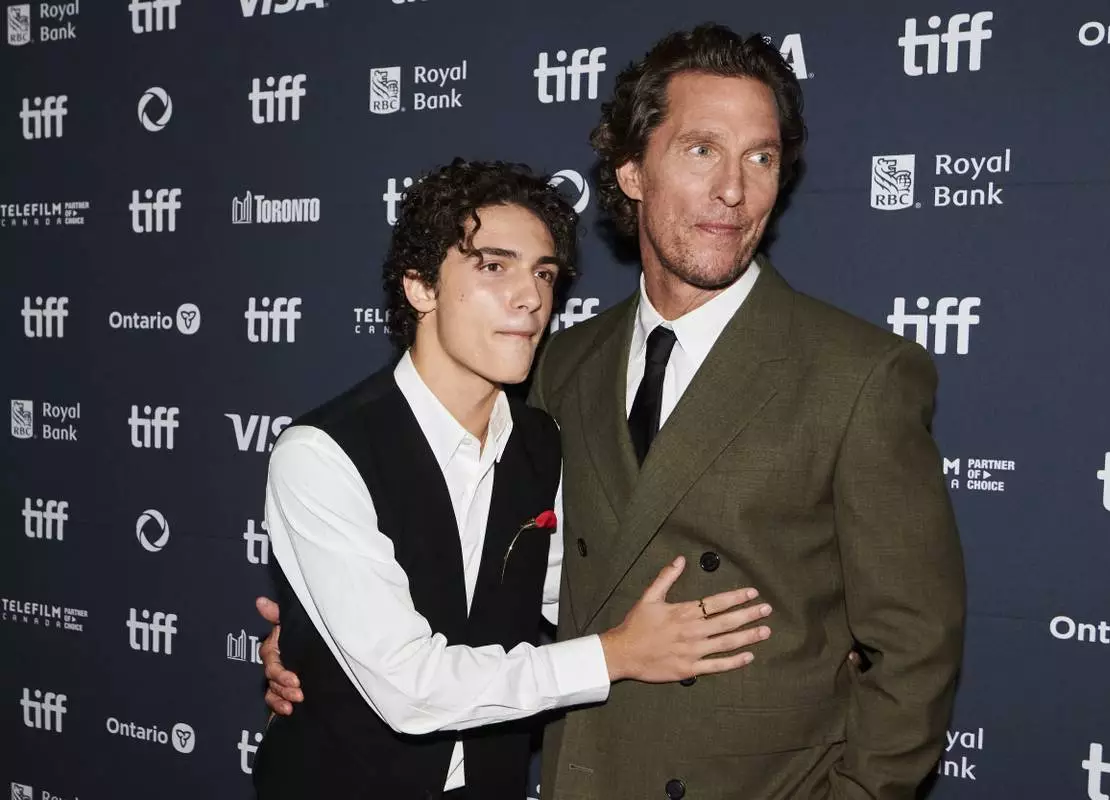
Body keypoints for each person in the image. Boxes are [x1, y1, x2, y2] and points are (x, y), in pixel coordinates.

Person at [261, 23, 967, 799]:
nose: (733, 189)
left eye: (761, 158)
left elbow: (915, 645)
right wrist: (329, 641)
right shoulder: (560, 365)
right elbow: (533, 579)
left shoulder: (858, 373)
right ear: (632, 171)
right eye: (701, 150)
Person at [249, 159, 774, 800]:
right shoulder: (322, 453)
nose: (531, 297)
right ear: (420, 287)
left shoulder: (541, 442)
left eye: (544, 273)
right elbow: (409, 687)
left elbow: (578, 599)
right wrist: (615, 654)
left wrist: (812, 631)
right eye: (494, 267)